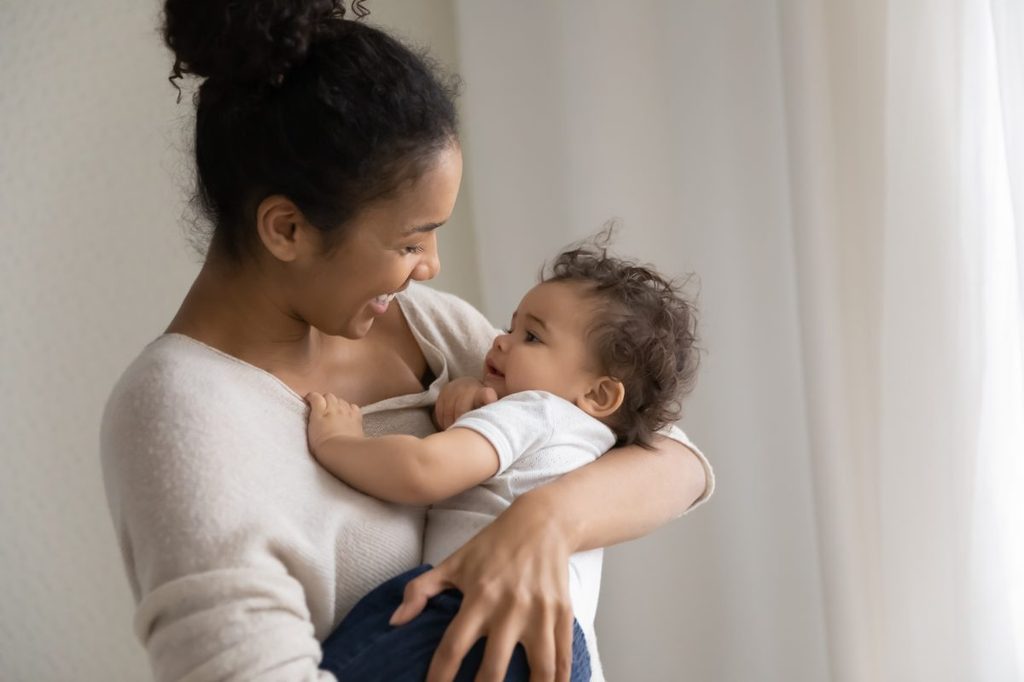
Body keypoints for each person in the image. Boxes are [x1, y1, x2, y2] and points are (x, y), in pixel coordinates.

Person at [99, 2, 715, 681]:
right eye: (409, 240)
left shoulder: (427, 324)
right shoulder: (181, 410)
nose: (430, 266)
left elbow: (672, 460)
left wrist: (545, 522)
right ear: (287, 230)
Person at [305, 238, 702, 681]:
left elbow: (423, 471)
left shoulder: (537, 409)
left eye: (531, 337)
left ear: (599, 394)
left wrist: (339, 443)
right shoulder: (600, 442)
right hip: (562, 650)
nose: (500, 340)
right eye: (511, 327)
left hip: (476, 615)